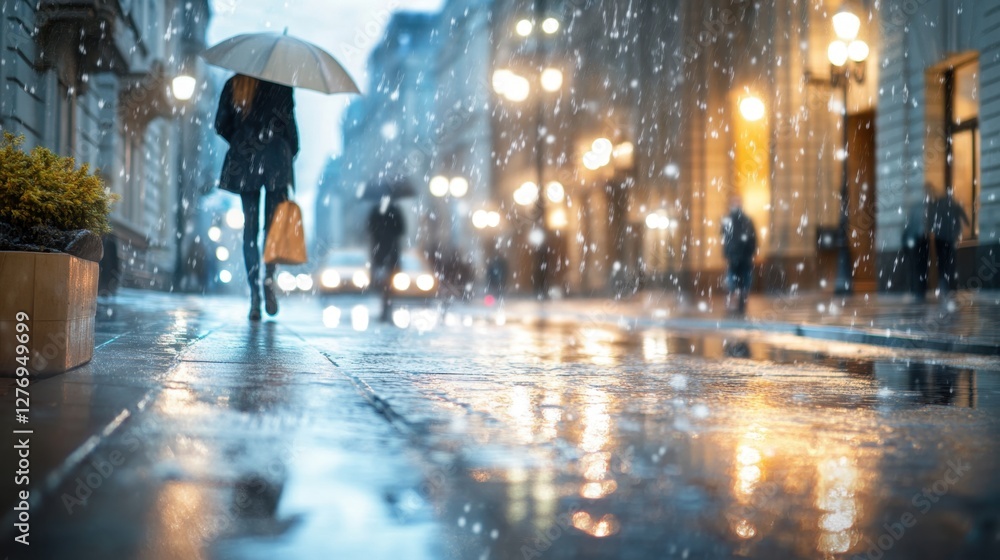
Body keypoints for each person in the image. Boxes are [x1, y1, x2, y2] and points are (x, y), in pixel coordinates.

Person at [215, 74, 299, 321]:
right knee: (271, 229)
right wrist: (286, 150)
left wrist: (243, 138)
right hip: (276, 159)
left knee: (249, 230)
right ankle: (268, 280)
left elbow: (221, 124)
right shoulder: (281, 85)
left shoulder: (236, 84)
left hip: (246, 158)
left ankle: (254, 296)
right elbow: (290, 127)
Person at [367, 198, 405, 322]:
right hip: (387, 251)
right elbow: (401, 229)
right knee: (386, 279)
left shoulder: (378, 211)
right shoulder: (394, 211)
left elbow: (370, 229)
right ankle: (386, 303)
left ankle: (386, 303)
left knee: (386, 279)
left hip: (383, 251)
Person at [929, 185, 970, 297]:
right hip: (950, 237)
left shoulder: (938, 204)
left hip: (940, 237)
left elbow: (931, 219)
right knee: (951, 261)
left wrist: (931, 229)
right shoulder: (954, 204)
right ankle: (951, 284)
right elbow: (965, 219)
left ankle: (944, 284)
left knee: (942, 262)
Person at [720, 195, 757, 315]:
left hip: (742, 256)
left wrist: (750, 251)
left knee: (741, 280)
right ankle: (737, 301)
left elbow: (752, 238)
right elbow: (725, 237)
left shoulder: (743, 220)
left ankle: (740, 302)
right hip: (736, 256)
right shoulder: (732, 220)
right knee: (735, 280)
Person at [901, 195, 930, 300]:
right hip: (919, 244)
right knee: (919, 269)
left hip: (916, 245)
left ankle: (916, 290)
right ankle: (918, 291)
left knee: (916, 269)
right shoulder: (921, 215)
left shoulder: (913, 217)